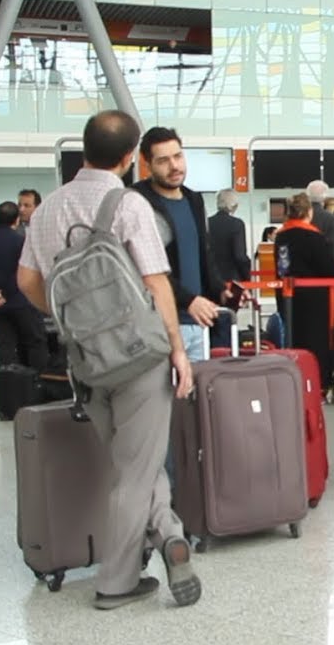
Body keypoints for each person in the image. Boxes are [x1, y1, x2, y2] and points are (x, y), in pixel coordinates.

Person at [16, 109, 201, 610]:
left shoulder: (47, 210)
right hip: (140, 358)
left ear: (84, 149)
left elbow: (26, 281)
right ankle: (116, 582)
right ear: (129, 157)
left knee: (132, 463)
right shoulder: (128, 204)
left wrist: (71, 319)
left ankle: (169, 534)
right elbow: (156, 282)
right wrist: (177, 349)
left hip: (87, 362)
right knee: (135, 470)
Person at [132, 127, 237, 363]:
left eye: (178, 156)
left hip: (197, 321)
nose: (174, 166)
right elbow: (144, 268)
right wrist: (188, 300)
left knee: (199, 386)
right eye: (163, 161)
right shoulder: (137, 202)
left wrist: (220, 289)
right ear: (147, 164)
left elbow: (203, 254)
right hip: (158, 324)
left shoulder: (193, 199)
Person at [275, 193, 334, 390]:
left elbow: (282, 268)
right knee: (316, 342)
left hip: (290, 297)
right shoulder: (314, 237)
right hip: (315, 299)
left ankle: (296, 380)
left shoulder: (281, 236)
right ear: (309, 212)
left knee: (295, 338)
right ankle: (318, 383)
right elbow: (328, 268)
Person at [0, 200, 48, 372]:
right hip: (21, 302)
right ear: (16, 220)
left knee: (5, 344)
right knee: (34, 342)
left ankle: (8, 382)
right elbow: (24, 272)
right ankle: (38, 381)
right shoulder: (22, 242)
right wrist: (5, 293)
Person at [208, 188, 252, 346]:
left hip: (210, 280)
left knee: (212, 320)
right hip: (231, 281)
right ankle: (226, 352)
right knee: (228, 320)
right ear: (234, 205)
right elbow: (240, 256)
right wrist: (247, 279)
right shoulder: (236, 224)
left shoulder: (206, 223)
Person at [306, 180, 334, 263]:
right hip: (323, 266)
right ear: (325, 198)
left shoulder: (298, 216)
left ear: (307, 197)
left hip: (300, 267)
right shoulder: (332, 219)